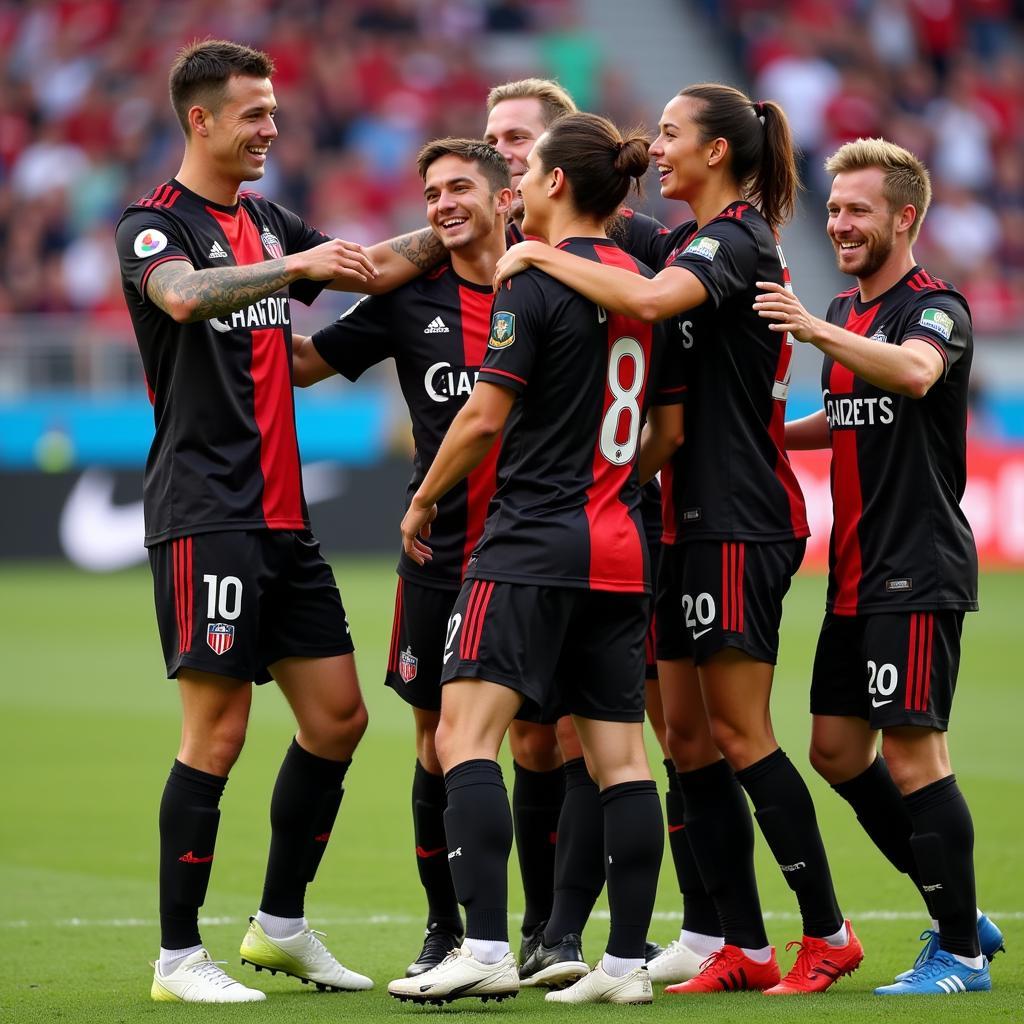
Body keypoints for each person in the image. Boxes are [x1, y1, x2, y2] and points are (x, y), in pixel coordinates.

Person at [495, 82, 864, 996]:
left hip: (741, 518)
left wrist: (536, 258)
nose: (655, 148)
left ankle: (828, 932)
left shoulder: (734, 240)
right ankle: (739, 942)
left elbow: (654, 303)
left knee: (741, 735)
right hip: (684, 522)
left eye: (670, 134)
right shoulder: (704, 239)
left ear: (717, 153)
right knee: (690, 743)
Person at [387, 112, 685, 1007]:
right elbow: (666, 429)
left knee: (460, 735)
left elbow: (482, 417)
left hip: (527, 542)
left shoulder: (529, 278)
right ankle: (624, 965)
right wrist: (607, 484)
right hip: (622, 546)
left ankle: (480, 945)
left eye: (530, 174)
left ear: (553, 185)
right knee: (621, 760)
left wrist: (424, 498)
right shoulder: (650, 284)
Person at [115, 40, 379, 1003]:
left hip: (281, 517)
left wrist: (473, 222)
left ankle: (280, 925)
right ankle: (178, 958)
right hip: (207, 512)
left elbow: (366, 266)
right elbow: (183, 297)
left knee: (338, 719)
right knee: (217, 729)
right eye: (254, 114)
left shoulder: (266, 219)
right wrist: (298, 266)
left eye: (273, 111)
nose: (272, 128)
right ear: (202, 119)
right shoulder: (154, 225)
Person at [756, 137, 1002, 996]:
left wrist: (811, 326)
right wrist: (769, 435)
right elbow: (849, 408)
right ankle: (961, 913)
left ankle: (961, 951)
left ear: (906, 217)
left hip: (917, 566)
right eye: (833, 208)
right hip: (854, 572)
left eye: (858, 209)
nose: (840, 223)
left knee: (914, 758)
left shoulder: (934, 308)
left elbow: (913, 374)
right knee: (834, 752)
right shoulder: (846, 309)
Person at [291, 138, 514, 977]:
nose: (443, 203)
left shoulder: (553, 286)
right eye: (431, 192)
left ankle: (553, 934)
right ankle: (445, 929)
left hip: (531, 551)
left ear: (505, 197)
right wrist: (234, 316)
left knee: (550, 742)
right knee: (433, 741)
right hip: (439, 550)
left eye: (460, 187)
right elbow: (309, 365)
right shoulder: (407, 297)